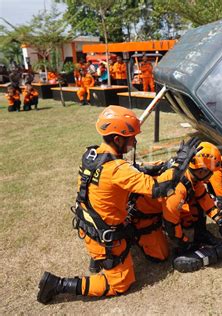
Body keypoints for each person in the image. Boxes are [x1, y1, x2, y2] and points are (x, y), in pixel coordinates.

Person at [37, 105, 200, 304]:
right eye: (131, 137)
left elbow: (132, 171)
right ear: (117, 139)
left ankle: (106, 255)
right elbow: (159, 189)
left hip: (92, 221)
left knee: (159, 253)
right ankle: (57, 284)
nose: (135, 141)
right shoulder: (118, 170)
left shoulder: (93, 154)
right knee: (120, 283)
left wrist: (162, 165)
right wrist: (180, 164)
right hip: (104, 233)